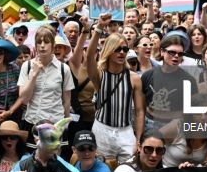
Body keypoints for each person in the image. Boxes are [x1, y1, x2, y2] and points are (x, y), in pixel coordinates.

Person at [86, 16, 145, 163]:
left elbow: (139, 111)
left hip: (125, 131)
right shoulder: (99, 75)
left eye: (125, 49)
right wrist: (99, 28)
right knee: (102, 171)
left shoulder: (134, 78)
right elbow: (88, 58)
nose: (122, 53)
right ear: (109, 50)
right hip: (102, 129)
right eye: (117, 49)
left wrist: (138, 139)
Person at [18, 26, 75, 134]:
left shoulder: (64, 69)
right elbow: (24, 99)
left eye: (46, 42)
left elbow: (66, 101)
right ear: (35, 46)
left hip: (55, 123)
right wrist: (34, 75)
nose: (42, 46)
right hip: (32, 122)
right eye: (39, 42)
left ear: (53, 46)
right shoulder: (27, 66)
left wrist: (66, 124)